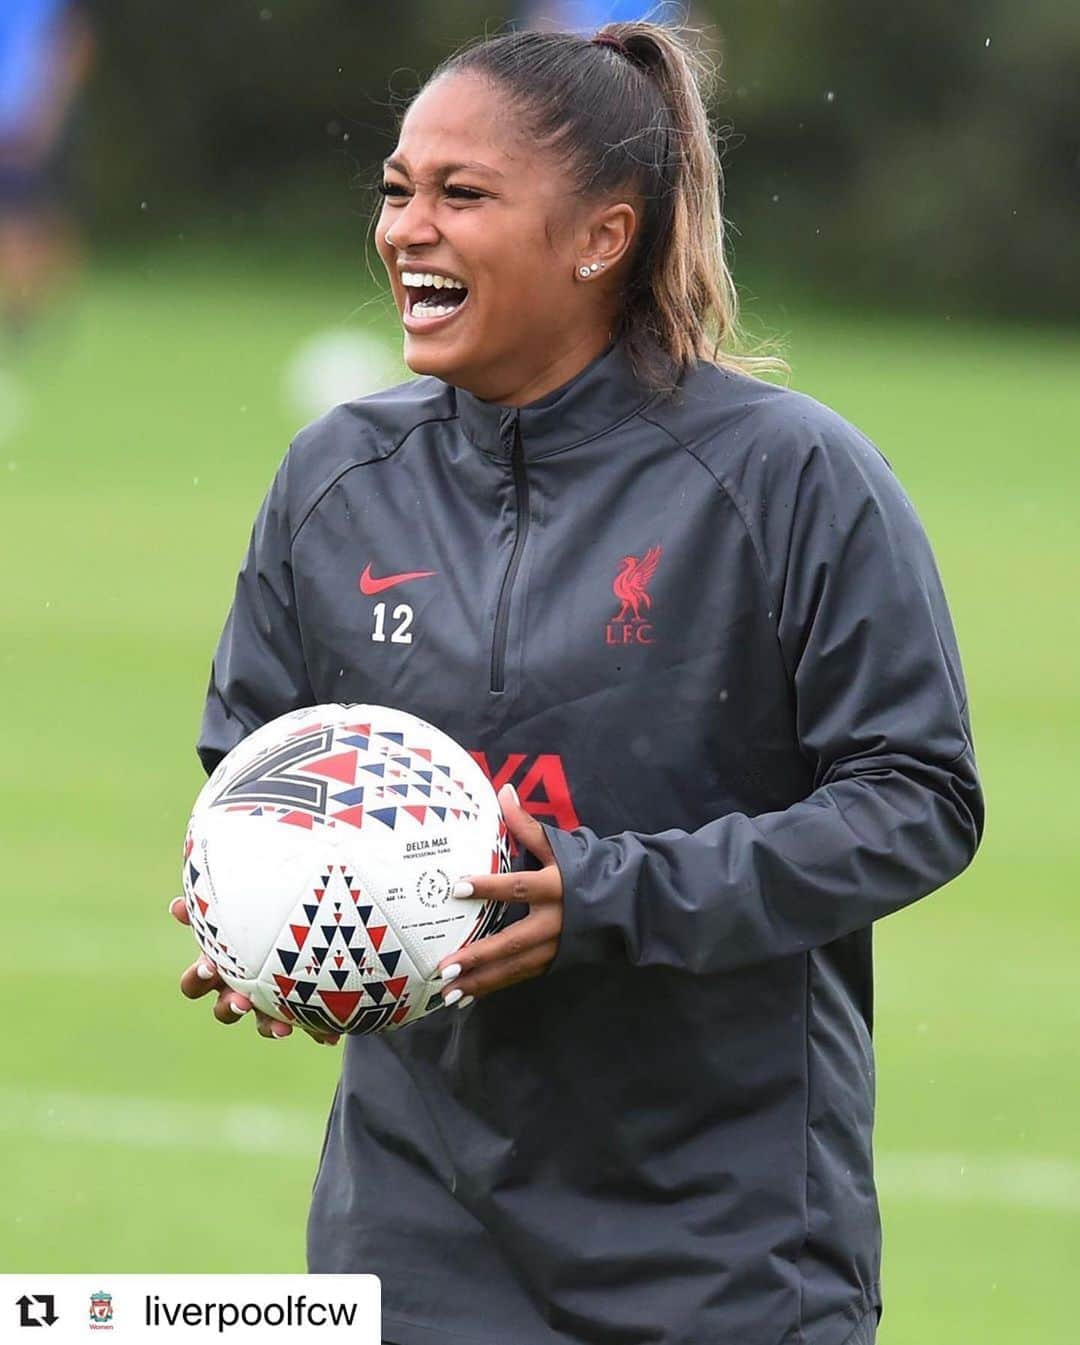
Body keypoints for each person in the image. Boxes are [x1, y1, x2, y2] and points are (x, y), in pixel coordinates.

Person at [171, 21, 983, 1345]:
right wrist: (263, 921)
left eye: (461, 195)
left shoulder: (791, 479)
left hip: (727, 1240)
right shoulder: (335, 482)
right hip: (414, 1234)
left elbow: (918, 798)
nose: (404, 229)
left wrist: (607, 895)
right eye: (396, 189)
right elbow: (253, 759)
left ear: (601, 238)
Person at [0, 0, 94, 343]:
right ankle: (26, 312)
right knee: (25, 217)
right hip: (18, 119)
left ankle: (23, 316)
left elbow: (75, 45)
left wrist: (49, 113)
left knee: (23, 218)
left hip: (26, 122)